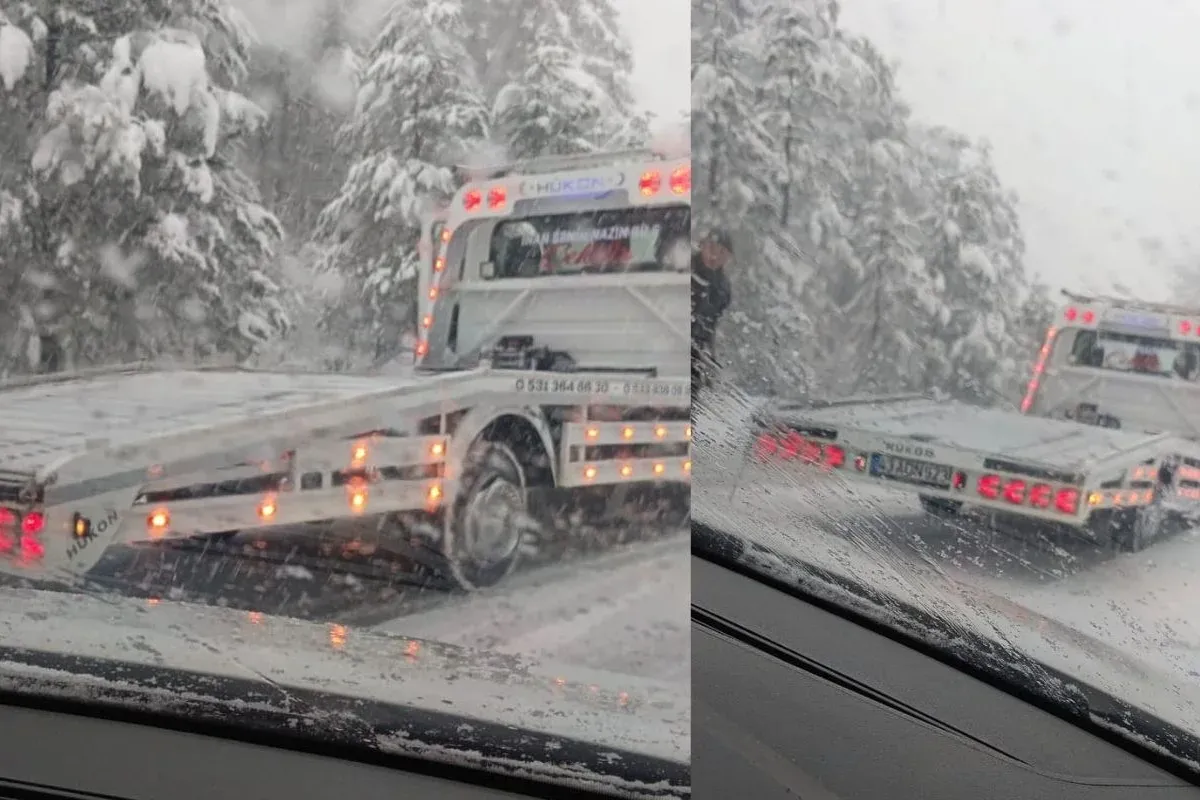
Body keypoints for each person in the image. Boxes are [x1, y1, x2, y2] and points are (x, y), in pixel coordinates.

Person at [692, 228, 733, 395]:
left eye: (722, 252)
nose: (714, 256)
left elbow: (711, 326)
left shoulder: (722, 289)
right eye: (711, 248)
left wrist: (710, 357)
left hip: (695, 352)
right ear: (702, 246)